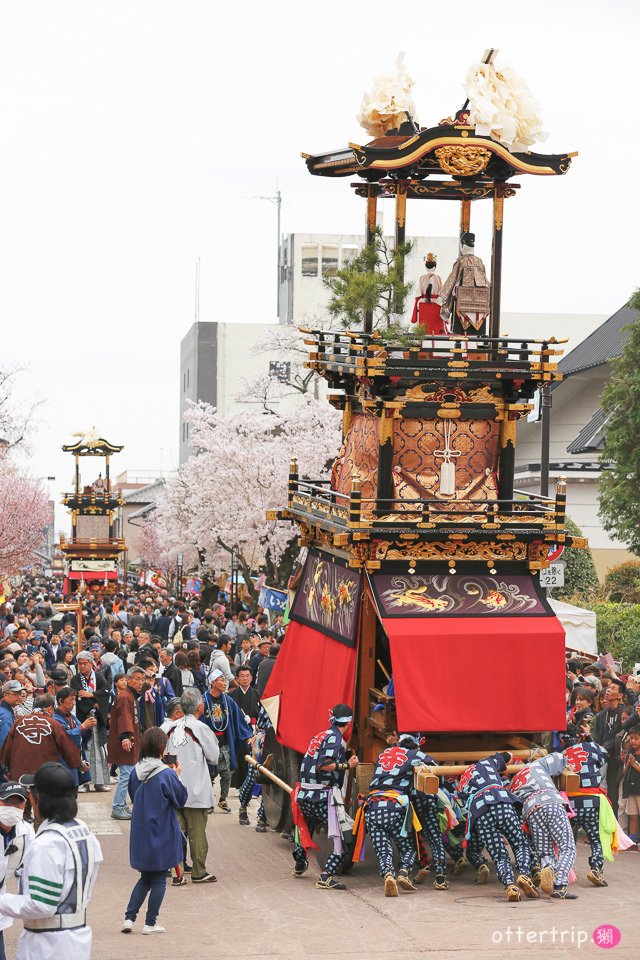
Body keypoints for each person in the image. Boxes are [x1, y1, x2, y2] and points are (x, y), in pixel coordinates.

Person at [0, 762, 102, 960]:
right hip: (77, 935)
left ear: (39, 799)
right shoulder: (84, 832)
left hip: (47, 944)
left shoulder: (46, 844)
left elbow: (41, 904)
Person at [121, 727, 188, 935]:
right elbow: (180, 799)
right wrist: (177, 775)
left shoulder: (135, 771)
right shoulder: (166, 774)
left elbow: (133, 794)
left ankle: (129, 919)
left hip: (141, 830)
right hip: (161, 831)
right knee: (159, 878)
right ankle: (150, 923)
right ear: (161, 747)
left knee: (146, 878)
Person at [291, 704, 359, 890]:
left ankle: (299, 864)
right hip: (323, 797)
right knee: (342, 838)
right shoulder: (335, 739)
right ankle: (326, 876)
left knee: (307, 829)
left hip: (305, 794)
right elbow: (324, 764)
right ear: (348, 723)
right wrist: (347, 765)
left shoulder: (319, 736)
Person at [354, 733, 429, 897]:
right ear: (416, 745)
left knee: (383, 850)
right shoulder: (415, 754)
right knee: (408, 848)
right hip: (394, 806)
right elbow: (432, 764)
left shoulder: (384, 753)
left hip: (372, 806)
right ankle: (403, 873)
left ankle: (389, 875)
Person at [457, 751, 536, 902]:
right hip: (502, 803)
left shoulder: (461, 782)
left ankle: (510, 885)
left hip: (481, 813)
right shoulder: (487, 763)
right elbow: (508, 755)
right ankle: (524, 874)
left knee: (499, 855)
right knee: (520, 845)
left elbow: (462, 805)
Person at [161, 690, 219, 883]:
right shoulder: (200, 728)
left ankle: (177, 874)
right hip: (195, 789)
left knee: (176, 832)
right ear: (199, 707)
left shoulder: (168, 728)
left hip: (172, 786)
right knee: (197, 834)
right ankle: (199, 872)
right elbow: (213, 757)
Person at [509, 753, 577, 899]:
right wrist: (566, 766)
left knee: (545, 852)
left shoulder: (513, 784)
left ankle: (548, 869)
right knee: (567, 847)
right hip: (551, 802)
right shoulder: (535, 765)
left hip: (531, 811)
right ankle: (559, 885)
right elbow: (558, 757)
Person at [201, 670, 252, 813]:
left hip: (224, 742)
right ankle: (208, 801)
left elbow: (238, 720)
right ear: (212, 682)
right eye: (221, 680)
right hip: (209, 743)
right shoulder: (204, 700)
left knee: (227, 772)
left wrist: (248, 735)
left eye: (225, 680)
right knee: (209, 773)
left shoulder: (228, 700)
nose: (225, 683)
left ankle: (223, 799)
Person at [0, 695, 82, 782]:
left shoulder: (18, 722)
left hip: (20, 775)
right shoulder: (54, 724)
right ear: (50, 709)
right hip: (46, 775)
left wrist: (6, 769)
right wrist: (80, 765)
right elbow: (69, 749)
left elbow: (7, 750)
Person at [563, 739, 611, 887]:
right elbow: (604, 757)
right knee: (596, 838)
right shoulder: (590, 746)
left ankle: (563, 871)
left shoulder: (562, 754)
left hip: (570, 805)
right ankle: (596, 868)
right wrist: (590, 739)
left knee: (566, 842)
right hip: (590, 802)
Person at [0, 781, 34, 960]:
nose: (12, 807)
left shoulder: (26, 832)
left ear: (24, 805)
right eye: (7, 802)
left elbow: (27, 871)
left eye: (17, 803)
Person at [108, 666, 146, 821]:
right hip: (126, 741)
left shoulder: (131, 695)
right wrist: (125, 737)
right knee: (125, 775)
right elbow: (124, 719)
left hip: (130, 740)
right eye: (137, 679)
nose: (140, 682)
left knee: (128, 774)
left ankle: (122, 804)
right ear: (129, 679)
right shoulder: (125, 696)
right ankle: (117, 806)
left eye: (142, 680)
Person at [70, 651, 111, 792]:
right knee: (84, 749)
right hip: (83, 718)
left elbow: (106, 692)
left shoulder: (98, 677)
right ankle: (85, 783)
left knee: (99, 750)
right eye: (80, 663)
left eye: (85, 663)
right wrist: (94, 703)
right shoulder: (76, 679)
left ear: (91, 663)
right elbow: (78, 697)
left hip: (98, 720)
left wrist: (91, 694)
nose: (82, 666)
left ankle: (100, 782)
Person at [439, 231, 490, 335]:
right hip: (480, 304)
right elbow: (487, 282)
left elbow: (451, 281)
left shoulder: (461, 261)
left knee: (461, 336)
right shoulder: (480, 261)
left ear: (462, 246)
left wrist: (442, 296)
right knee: (476, 336)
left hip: (462, 304)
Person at [238, 705, 272, 831]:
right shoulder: (269, 702)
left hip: (281, 743)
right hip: (262, 741)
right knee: (254, 777)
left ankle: (262, 816)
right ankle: (243, 806)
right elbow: (261, 724)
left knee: (272, 780)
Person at [53, 688, 94, 789]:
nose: (74, 703)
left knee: (73, 792)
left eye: (74, 699)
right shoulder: (55, 718)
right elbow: (65, 736)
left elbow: (82, 733)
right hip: (63, 759)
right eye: (71, 699)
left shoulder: (72, 717)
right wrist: (83, 726)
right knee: (65, 791)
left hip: (75, 757)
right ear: (61, 701)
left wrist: (88, 728)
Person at [620, 722, 640, 844]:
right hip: (631, 789)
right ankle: (632, 840)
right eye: (631, 738)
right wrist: (628, 764)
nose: (633, 741)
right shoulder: (630, 753)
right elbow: (624, 771)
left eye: (636, 739)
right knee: (632, 815)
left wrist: (634, 764)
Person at [0, 682, 23, 751]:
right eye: (15, 694)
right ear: (6, 696)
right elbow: (4, 743)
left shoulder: (4, 711)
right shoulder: (5, 715)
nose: (19, 697)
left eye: (20, 694)